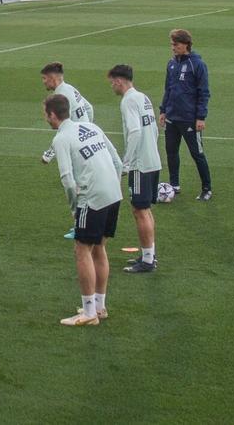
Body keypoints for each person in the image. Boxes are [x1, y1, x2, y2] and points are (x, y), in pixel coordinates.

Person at [44, 94, 123, 326]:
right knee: (99, 248)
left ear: (52, 115)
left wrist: (75, 209)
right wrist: (113, 187)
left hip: (93, 197)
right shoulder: (91, 126)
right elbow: (117, 161)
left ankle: (88, 313)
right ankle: (99, 307)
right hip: (113, 194)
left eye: (45, 114)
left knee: (81, 250)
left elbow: (68, 180)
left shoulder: (61, 139)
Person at [108, 65, 161, 273]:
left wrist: (126, 163)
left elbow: (135, 132)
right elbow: (154, 128)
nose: (112, 86)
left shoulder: (128, 100)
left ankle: (148, 261)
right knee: (145, 209)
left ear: (119, 81)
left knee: (139, 210)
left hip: (139, 164)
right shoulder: (143, 97)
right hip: (152, 160)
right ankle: (149, 255)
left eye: (112, 82)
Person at [39, 62, 95, 239]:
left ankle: (81, 226)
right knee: (82, 185)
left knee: (76, 186)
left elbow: (63, 128)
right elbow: (89, 108)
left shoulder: (60, 96)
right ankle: (84, 224)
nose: (43, 83)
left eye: (44, 79)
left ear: (53, 78)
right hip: (85, 139)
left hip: (75, 144)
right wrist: (88, 127)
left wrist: (49, 153)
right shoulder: (70, 89)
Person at [159, 29, 212, 201]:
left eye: (176, 44)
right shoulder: (171, 63)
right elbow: (168, 89)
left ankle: (206, 188)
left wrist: (201, 117)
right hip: (172, 117)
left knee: (197, 153)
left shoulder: (197, 65)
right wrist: (163, 110)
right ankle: (174, 184)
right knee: (171, 152)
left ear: (186, 45)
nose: (173, 48)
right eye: (172, 44)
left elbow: (204, 92)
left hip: (189, 118)